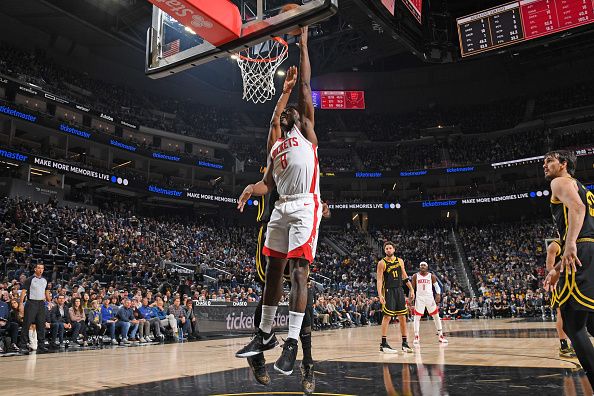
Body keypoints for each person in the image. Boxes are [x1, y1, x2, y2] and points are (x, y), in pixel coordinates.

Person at [235, 25, 322, 380]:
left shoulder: (308, 135)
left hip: (303, 204)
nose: (288, 116)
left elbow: (305, 88)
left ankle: (294, 347)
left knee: (299, 275)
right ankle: (265, 334)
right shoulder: (275, 145)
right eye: (285, 115)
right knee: (273, 273)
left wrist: (301, 43)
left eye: (292, 114)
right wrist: (250, 189)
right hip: (282, 205)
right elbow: (266, 183)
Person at [543, 150, 594, 386]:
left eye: (550, 161)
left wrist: (571, 244)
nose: (545, 165)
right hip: (589, 248)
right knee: (587, 321)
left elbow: (577, 209)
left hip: (582, 249)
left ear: (564, 164)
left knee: (573, 323)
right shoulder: (583, 187)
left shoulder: (559, 181)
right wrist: (557, 269)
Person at [376, 241, 414, 353]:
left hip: (399, 290)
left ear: (394, 249)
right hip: (388, 291)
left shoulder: (400, 261)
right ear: (384, 250)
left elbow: (404, 275)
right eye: (386, 248)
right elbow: (379, 280)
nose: (388, 250)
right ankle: (383, 344)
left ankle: (405, 343)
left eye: (390, 248)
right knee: (387, 317)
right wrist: (380, 294)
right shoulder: (381, 263)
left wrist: (411, 288)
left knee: (402, 316)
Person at [545, 239, 576, 358]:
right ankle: (564, 346)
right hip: (558, 283)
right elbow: (549, 268)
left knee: (576, 313)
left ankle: (575, 343)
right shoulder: (554, 245)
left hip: (573, 282)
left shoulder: (573, 242)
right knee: (561, 313)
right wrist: (557, 279)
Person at [411, 261, 448, 346]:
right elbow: (412, 288)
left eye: (424, 265)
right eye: (421, 265)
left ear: (427, 267)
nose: (423, 266)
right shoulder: (415, 276)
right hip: (419, 298)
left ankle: (440, 336)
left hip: (429, 298)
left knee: (436, 316)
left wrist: (438, 294)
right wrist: (411, 296)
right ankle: (416, 336)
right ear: (419, 267)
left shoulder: (431, 276)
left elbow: (437, 286)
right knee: (417, 317)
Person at [19, 263, 51, 353]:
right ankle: (22, 346)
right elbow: (23, 292)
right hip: (31, 303)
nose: (40, 270)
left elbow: (47, 292)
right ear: (35, 269)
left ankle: (41, 345)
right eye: (39, 268)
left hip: (41, 303)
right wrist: (21, 304)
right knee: (26, 324)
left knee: (41, 325)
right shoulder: (30, 279)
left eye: (42, 268)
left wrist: (49, 302)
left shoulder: (45, 280)